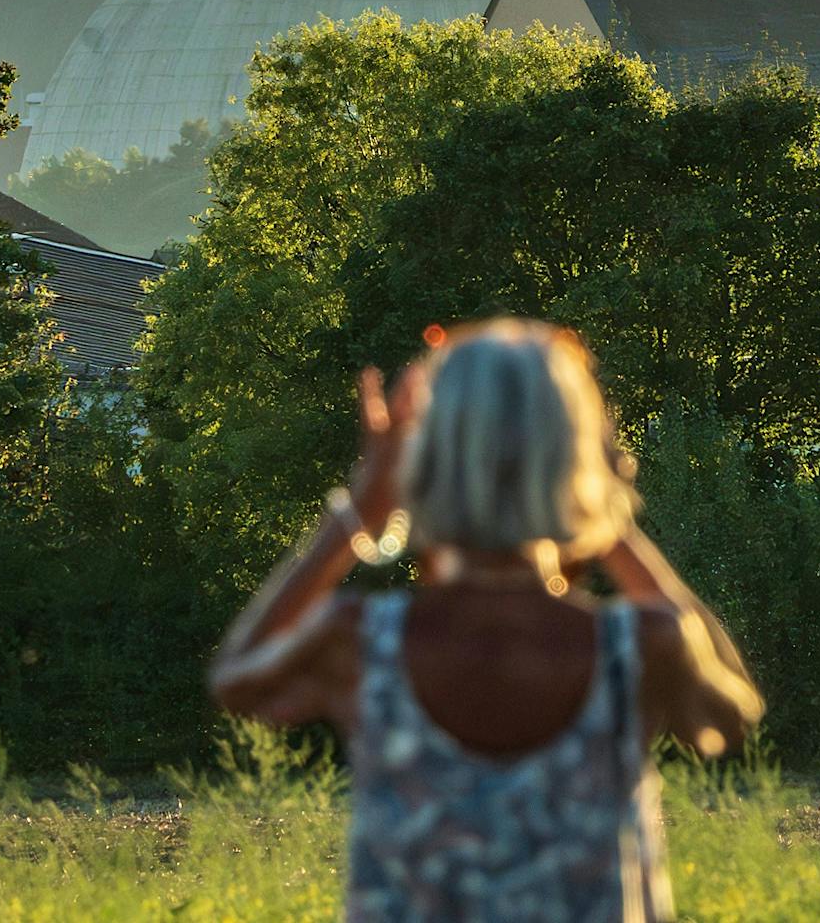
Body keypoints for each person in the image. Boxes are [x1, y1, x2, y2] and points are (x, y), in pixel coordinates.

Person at [209, 319, 763, 922]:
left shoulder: (359, 640)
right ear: (571, 459)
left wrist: (361, 511)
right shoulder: (641, 647)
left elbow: (237, 680)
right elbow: (732, 715)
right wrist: (609, 522)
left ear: (428, 462)